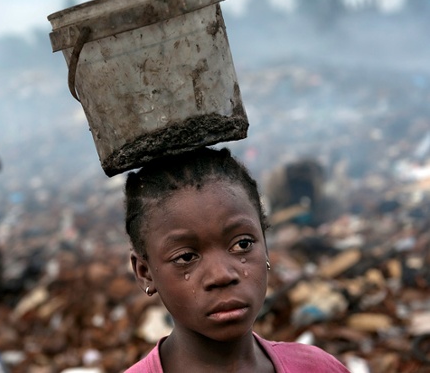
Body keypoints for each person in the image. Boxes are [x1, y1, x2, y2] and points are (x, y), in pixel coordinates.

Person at [123, 147, 349, 372]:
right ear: (145, 272)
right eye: (186, 257)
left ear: (266, 247)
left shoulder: (316, 368)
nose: (222, 275)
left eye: (243, 244)